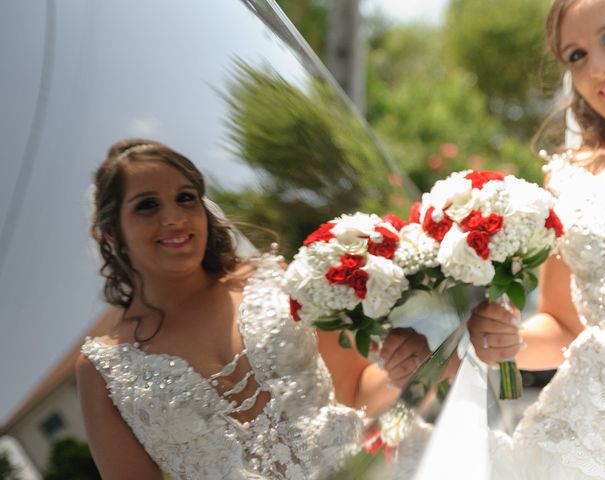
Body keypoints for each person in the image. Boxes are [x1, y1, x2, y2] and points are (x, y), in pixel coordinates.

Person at [76, 139, 430, 479]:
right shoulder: (103, 370)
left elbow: (358, 384)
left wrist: (409, 370)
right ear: (111, 232)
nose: (174, 218)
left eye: (186, 198)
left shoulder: (273, 281)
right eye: (147, 205)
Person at [467, 0, 605, 478]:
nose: (598, 68)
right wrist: (507, 340)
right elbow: (563, 325)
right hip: (587, 445)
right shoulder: (572, 181)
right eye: (576, 55)